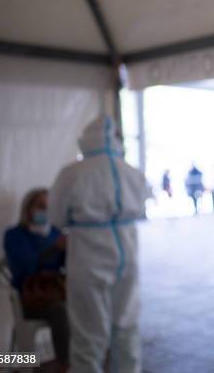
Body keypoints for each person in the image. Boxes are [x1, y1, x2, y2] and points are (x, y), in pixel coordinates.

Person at [49, 116, 150, 373]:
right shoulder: (132, 172)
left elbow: (57, 218)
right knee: (126, 328)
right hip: (127, 253)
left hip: (88, 256)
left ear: (85, 141)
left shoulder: (71, 174)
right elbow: (142, 209)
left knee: (88, 333)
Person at [3, 188, 69, 373]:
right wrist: (52, 249)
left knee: (85, 304)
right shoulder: (15, 235)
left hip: (56, 291)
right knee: (60, 310)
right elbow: (25, 267)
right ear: (28, 209)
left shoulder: (55, 232)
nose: (44, 212)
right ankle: (65, 365)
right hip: (31, 297)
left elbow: (66, 265)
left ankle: (87, 358)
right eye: (40, 206)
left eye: (49, 207)